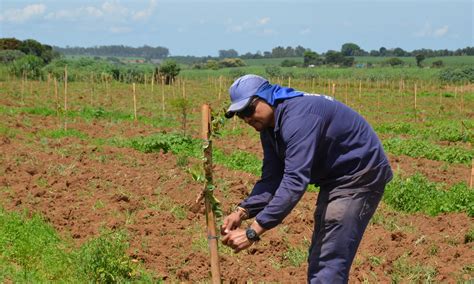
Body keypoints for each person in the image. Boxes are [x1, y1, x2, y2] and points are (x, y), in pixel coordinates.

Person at [220, 74, 393, 283]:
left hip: (359, 176)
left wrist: (252, 232)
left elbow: (294, 181)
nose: (247, 119)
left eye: (248, 110)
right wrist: (243, 211)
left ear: (266, 97)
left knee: (329, 257)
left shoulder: (299, 117)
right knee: (321, 253)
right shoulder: (269, 127)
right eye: (240, 115)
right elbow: (272, 177)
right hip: (335, 179)